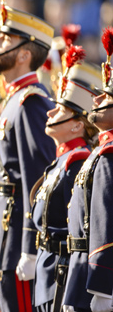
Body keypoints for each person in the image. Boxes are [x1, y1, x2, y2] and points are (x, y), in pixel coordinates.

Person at [0, 0, 56, 312]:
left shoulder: (30, 103)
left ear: (25, 54)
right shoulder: (14, 99)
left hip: (17, 235)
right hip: (3, 228)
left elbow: (37, 179)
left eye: (4, 39)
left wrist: (30, 245)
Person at [30, 50, 100, 312]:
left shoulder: (78, 162)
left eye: (60, 110)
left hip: (63, 276)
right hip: (47, 273)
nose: (49, 114)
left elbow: (81, 234)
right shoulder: (62, 161)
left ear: (77, 125)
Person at [63, 28, 113, 312]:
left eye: (105, 96)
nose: (95, 100)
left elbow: (106, 226)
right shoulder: (101, 151)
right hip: (81, 272)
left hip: (95, 277)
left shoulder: (109, 153)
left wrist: (102, 286)